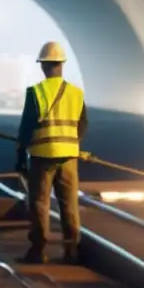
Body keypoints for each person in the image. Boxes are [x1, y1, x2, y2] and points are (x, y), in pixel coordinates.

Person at [16, 41, 88, 264]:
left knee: (39, 202)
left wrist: (20, 156)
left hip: (42, 155)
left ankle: (38, 250)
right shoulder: (76, 93)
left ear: (43, 66)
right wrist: (73, 145)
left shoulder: (36, 92)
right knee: (69, 203)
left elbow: (26, 128)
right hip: (69, 157)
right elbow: (83, 123)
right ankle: (72, 250)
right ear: (62, 65)